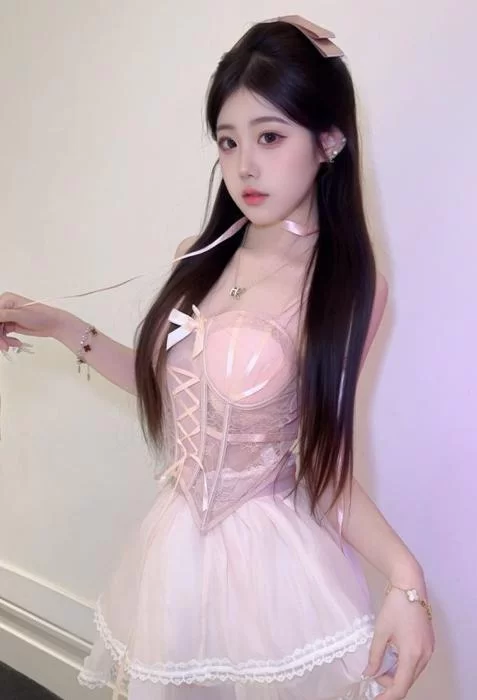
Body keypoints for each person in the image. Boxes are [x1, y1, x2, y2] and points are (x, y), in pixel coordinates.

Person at [0, 15, 434, 700]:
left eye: (270, 136)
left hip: (271, 572)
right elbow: (164, 386)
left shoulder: (347, 287)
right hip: (173, 554)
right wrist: (58, 325)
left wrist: (407, 581)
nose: (245, 166)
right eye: (228, 141)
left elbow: (324, 466)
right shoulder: (198, 256)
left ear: (328, 140)